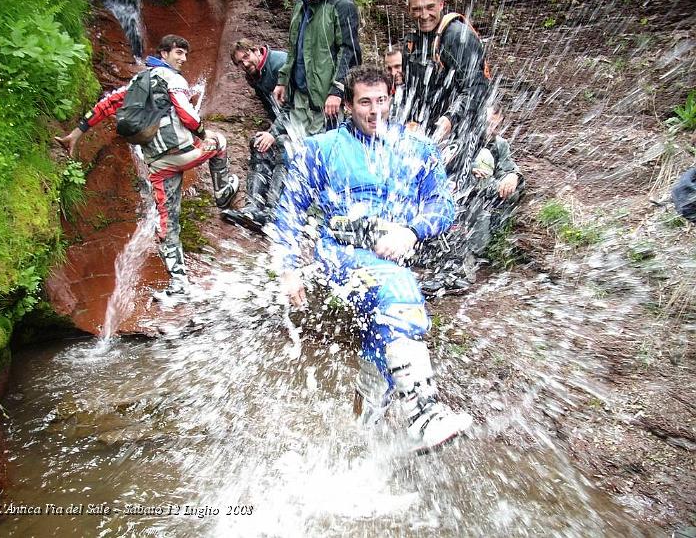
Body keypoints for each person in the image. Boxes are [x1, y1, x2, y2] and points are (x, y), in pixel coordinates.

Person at [271, 65, 472, 454]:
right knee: (400, 289)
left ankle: (361, 445)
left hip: (389, 260)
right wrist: (287, 267)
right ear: (348, 105)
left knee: (384, 338)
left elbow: (443, 205)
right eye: (364, 102)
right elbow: (289, 210)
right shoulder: (322, 148)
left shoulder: (416, 149)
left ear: (392, 100)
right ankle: (424, 415)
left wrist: (411, 231)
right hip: (339, 257)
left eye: (381, 101)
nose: (374, 110)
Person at [55, 34, 239, 299]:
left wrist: (75, 134)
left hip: (157, 164)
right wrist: (203, 133)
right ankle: (222, 194)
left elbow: (106, 104)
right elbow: (187, 114)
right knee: (219, 141)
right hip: (183, 153)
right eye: (178, 53)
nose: (183, 59)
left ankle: (178, 282)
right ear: (163, 54)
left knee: (167, 221)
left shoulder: (137, 81)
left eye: (185, 54)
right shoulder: (173, 79)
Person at [420, 103, 525, 295]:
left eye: (494, 123)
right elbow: (435, 168)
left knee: (475, 204)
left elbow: (509, 173)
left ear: (499, 121)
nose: (489, 127)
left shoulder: (498, 145)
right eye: (485, 121)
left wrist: (514, 176)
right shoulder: (459, 138)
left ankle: (457, 273)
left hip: (477, 206)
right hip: (444, 199)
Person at [400, 0, 490, 190]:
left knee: (452, 191)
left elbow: (478, 88)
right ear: (408, 10)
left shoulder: (458, 36)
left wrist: (450, 118)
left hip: (463, 130)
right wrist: (409, 121)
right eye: (417, 9)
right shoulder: (412, 42)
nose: (424, 15)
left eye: (430, 7)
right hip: (428, 130)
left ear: (441, 4)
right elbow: (409, 92)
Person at [221, 39, 289, 232]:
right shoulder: (254, 76)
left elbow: (297, 105)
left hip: (310, 123)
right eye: (240, 63)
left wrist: (274, 133)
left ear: (257, 51)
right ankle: (253, 208)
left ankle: (272, 211)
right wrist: (270, 132)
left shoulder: (280, 64)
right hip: (287, 123)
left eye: (246, 57)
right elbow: (273, 109)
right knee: (258, 143)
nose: (245, 64)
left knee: (283, 145)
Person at [273, 0, 362, 136]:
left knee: (325, 151)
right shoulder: (300, 5)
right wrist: (283, 80)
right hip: (299, 97)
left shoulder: (342, 6)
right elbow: (293, 48)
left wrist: (337, 91)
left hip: (327, 101)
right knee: (299, 150)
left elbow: (350, 53)